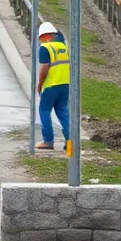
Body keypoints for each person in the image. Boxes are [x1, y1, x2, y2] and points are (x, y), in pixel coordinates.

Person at [36, 21, 70, 150]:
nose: (40, 41)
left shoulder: (45, 48)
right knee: (62, 112)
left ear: (45, 36)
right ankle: (70, 141)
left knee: (44, 111)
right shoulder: (63, 47)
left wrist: (40, 83)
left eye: (41, 38)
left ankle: (48, 141)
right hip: (64, 84)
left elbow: (44, 67)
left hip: (51, 85)